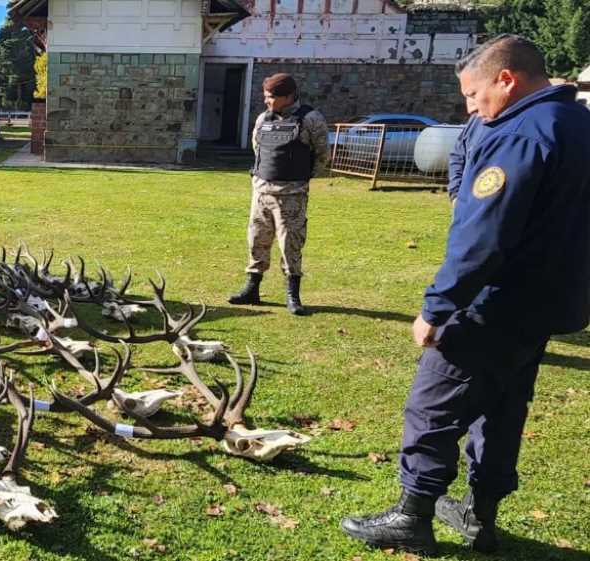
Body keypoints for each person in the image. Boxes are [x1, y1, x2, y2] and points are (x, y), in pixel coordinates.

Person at [340, 34, 590, 556]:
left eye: (475, 95)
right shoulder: (578, 125)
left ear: (507, 79)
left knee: (434, 404)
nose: (471, 108)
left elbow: (485, 235)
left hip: (496, 302)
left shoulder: (521, 133)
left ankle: (413, 516)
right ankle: (481, 515)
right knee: (501, 407)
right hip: (546, 302)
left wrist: (438, 306)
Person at [227, 73, 329, 315]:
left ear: (288, 96)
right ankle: (252, 289)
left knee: (290, 244)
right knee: (256, 239)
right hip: (262, 191)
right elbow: (257, 147)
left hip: (292, 194)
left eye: (271, 97)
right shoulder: (264, 118)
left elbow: (323, 154)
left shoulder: (310, 119)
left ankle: (292, 295)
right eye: (265, 96)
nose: (266, 101)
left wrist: (301, 179)